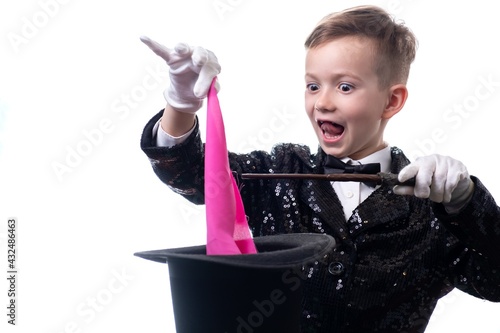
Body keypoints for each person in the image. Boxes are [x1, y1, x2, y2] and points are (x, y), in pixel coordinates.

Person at [139, 5, 500, 333]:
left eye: (345, 86)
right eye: (313, 85)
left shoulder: (432, 211)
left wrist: (466, 203)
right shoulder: (279, 172)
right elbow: (190, 175)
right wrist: (181, 104)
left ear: (392, 100)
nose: (323, 102)